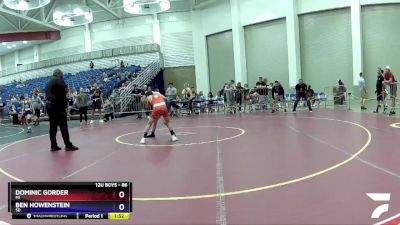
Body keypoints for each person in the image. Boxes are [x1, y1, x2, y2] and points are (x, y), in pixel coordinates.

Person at [45, 69, 78, 151]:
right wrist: (65, 103)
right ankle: (68, 145)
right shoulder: (58, 80)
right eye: (62, 74)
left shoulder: (48, 82)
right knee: (63, 125)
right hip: (56, 105)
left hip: (48, 105)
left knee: (53, 126)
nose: (62, 76)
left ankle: (53, 145)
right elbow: (65, 90)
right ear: (59, 74)